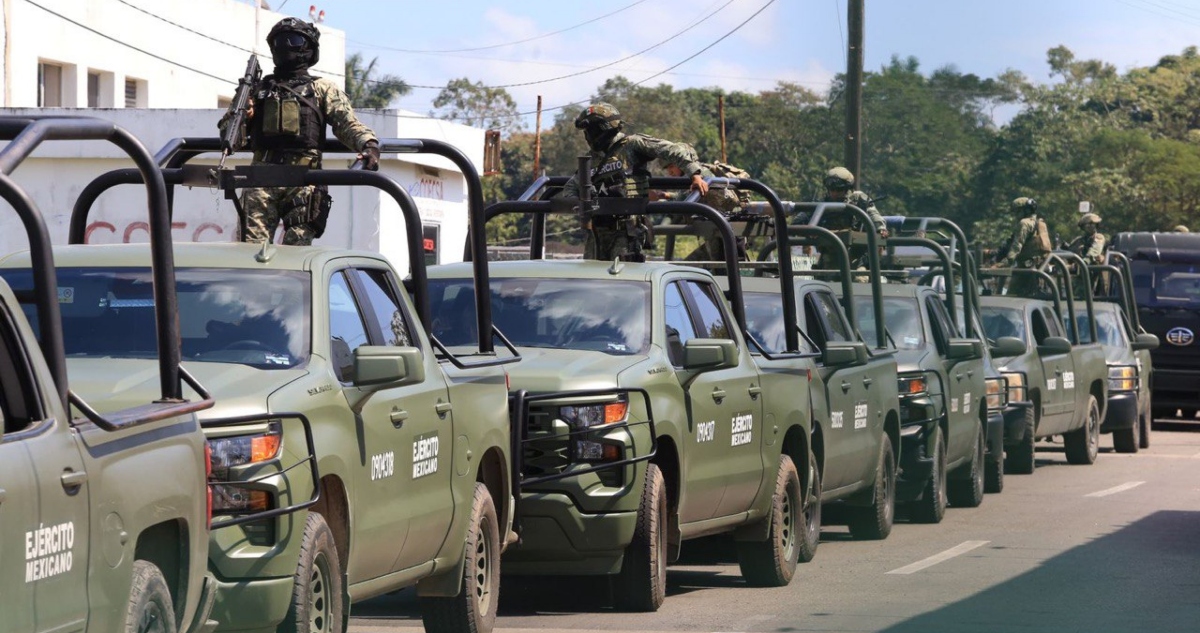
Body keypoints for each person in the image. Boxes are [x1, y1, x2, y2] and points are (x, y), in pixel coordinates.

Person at [218, 17, 380, 246]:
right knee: (250, 254)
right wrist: (243, 115)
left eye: (293, 40)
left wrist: (368, 144)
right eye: (279, 41)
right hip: (262, 177)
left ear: (308, 48)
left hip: (305, 179)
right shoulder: (256, 89)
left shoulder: (322, 88)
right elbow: (229, 137)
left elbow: (347, 123)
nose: (285, 46)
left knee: (297, 256)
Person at [562, 103, 708, 261]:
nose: (587, 136)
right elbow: (571, 187)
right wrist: (580, 203)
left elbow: (672, 150)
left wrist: (695, 174)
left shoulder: (631, 144)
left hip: (627, 232)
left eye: (589, 130)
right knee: (591, 280)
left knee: (622, 278)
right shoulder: (590, 159)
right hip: (597, 233)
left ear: (603, 128)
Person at [655, 145, 752, 263]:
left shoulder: (699, 175)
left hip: (723, 228)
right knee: (707, 266)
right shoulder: (692, 175)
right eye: (667, 168)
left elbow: (686, 201)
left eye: (671, 166)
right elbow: (687, 197)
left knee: (722, 266)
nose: (670, 172)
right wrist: (668, 196)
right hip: (715, 227)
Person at [814, 166, 887, 270]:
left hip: (857, 255)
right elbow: (806, 218)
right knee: (824, 281)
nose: (834, 193)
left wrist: (881, 228)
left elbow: (873, 214)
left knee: (860, 280)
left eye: (839, 190)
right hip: (830, 254)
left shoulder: (859, 199)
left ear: (847, 188)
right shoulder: (823, 203)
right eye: (831, 189)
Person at [995, 196, 1052, 297]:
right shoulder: (1040, 223)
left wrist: (1004, 263)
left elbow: (1017, 246)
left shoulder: (1024, 223)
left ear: (1026, 211)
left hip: (1026, 269)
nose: (1015, 215)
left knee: (1010, 297)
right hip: (1040, 268)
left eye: (1017, 212)